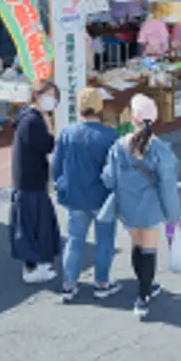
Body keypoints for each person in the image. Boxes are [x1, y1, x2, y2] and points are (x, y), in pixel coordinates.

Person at [101, 93, 181, 318]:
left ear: (133, 118)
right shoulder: (160, 149)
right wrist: (175, 217)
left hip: (127, 206)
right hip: (150, 208)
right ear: (154, 118)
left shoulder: (119, 146)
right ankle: (143, 295)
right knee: (149, 250)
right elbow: (168, 187)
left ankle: (143, 287)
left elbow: (108, 178)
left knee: (137, 246)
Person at [52, 87, 123, 301]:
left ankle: (69, 284)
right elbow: (117, 172)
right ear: (100, 108)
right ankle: (101, 282)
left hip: (75, 197)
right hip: (102, 198)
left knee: (75, 239)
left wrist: (60, 185)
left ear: (78, 107)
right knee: (105, 241)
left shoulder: (67, 133)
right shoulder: (110, 137)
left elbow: (56, 166)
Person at [9, 79, 62, 284]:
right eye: (50, 95)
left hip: (27, 180)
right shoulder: (33, 121)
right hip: (30, 181)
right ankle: (33, 267)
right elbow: (48, 145)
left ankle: (37, 265)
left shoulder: (26, 117)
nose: (52, 100)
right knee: (34, 225)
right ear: (37, 96)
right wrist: (49, 126)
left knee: (32, 225)